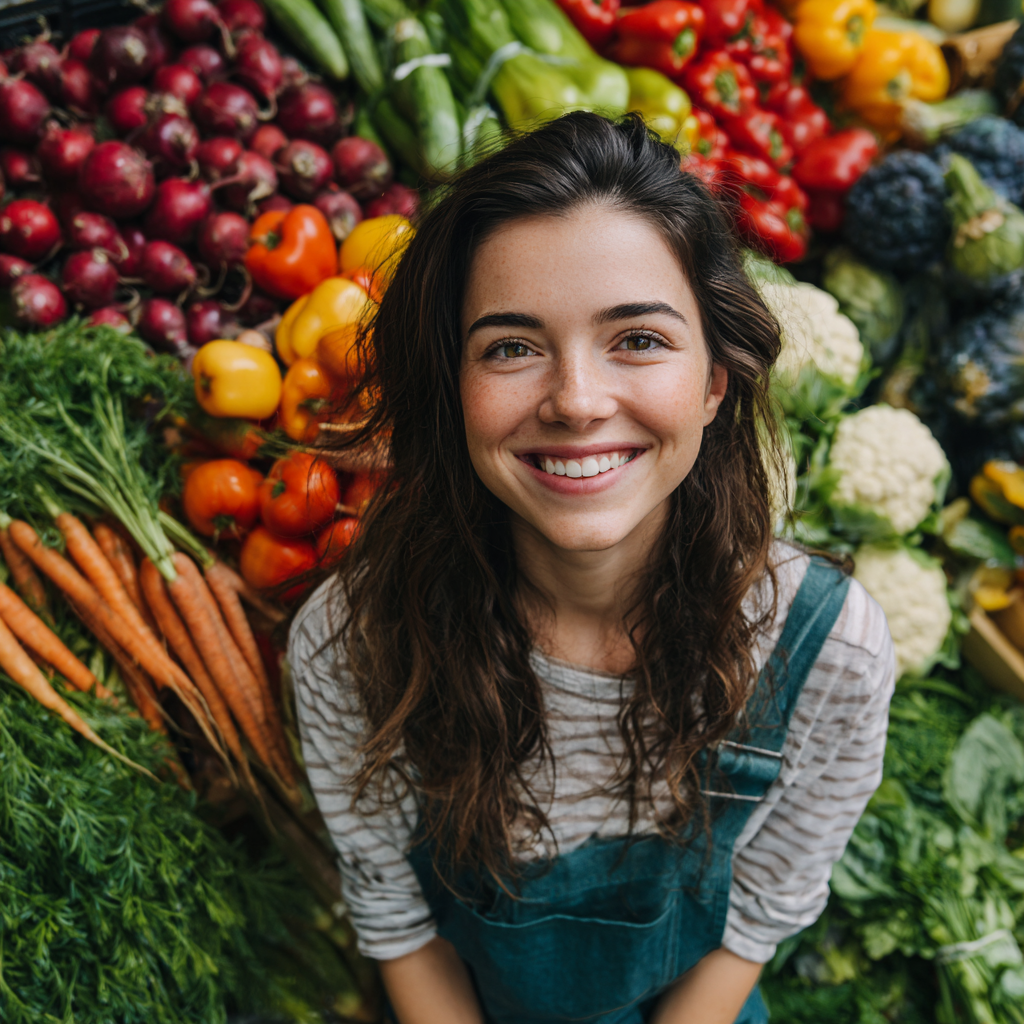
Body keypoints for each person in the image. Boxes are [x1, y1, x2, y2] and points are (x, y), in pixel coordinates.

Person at [289, 112, 896, 1024]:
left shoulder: (827, 653)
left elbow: (756, 918)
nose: (576, 400)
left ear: (715, 378)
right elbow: (395, 917)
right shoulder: (353, 640)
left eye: (638, 339)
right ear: (452, 388)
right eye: (511, 347)